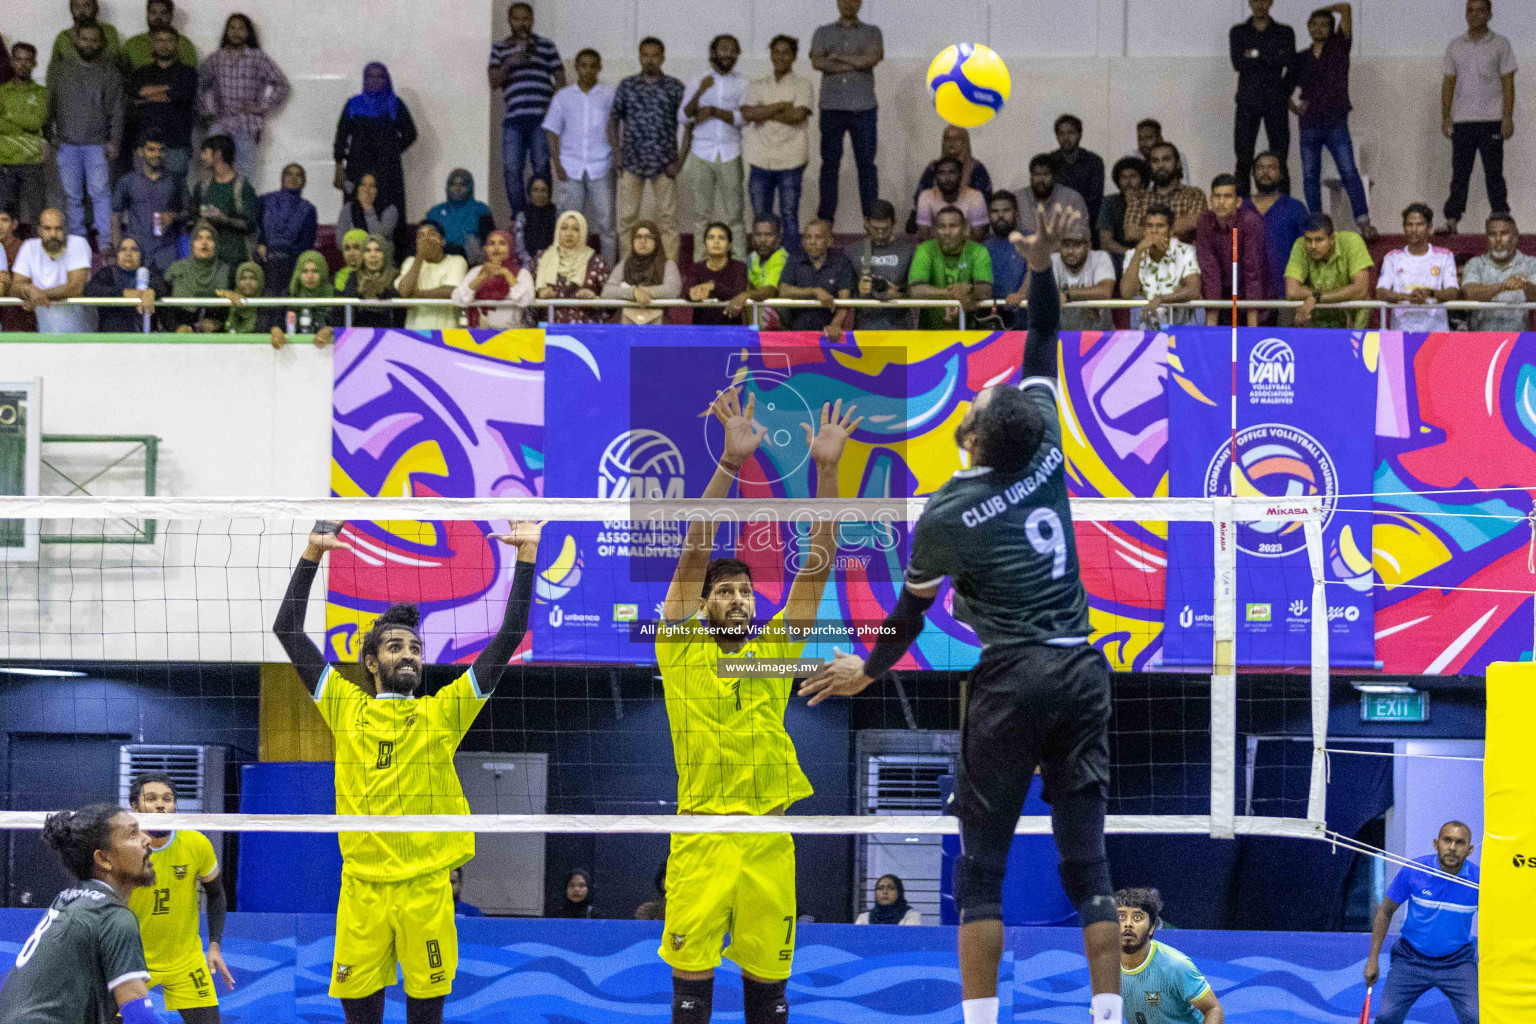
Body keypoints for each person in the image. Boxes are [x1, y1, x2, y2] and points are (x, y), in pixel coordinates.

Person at [802, 205, 1124, 1024]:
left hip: (1015, 674)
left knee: (981, 867)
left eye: (982, 399)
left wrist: (867, 670)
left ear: (975, 439)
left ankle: (980, 1021)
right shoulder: (1046, 444)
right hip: (1083, 668)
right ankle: (1108, 1016)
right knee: (1088, 867)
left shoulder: (947, 511)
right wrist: (1043, 264)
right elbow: (1044, 340)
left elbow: (908, 617)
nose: (987, 389)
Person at [271, 520, 543, 1024]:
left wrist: (526, 555)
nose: (410, 655)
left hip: (426, 887)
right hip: (363, 888)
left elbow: (506, 639)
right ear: (370, 662)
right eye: (396, 647)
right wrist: (311, 554)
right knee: (361, 1016)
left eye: (416, 648)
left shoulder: (443, 713)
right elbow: (287, 630)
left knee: (426, 1016)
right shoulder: (345, 707)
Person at [657, 386, 856, 1024]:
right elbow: (694, 550)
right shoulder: (680, 645)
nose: (738, 598)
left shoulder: (773, 647)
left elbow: (816, 568)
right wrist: (731, 463)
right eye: (725, 591)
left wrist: (826, 471)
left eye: (745, 590)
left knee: (769, 995)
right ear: (706, 603)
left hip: (769, 835)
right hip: (701, 833)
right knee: (691, 991)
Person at [0, 804, 157, 1024]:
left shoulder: (69, 898)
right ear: (103, 859)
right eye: (133, 834)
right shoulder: (113, 916)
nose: (146, 839)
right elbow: (138, 1014)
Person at [126, 772, 232, 1024]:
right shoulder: (121, 848)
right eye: (150, 798)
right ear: (134, 807)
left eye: (167, 798)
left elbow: (216, 894)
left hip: (186, 961)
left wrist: (214, 946)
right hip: (131, 962)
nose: (161, 804)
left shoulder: (196, 843)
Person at [1365, 821, 1478, 1024]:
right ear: (1436, 843)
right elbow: (1385, 911)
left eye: (1460, 843)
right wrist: (1372, 959)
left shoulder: (1480, 881)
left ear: (1469, 850)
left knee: (1476, 1017)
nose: (1452, 848)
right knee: (1386, 1017)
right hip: (1410, 959)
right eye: (1447, 840)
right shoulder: (1414, 870)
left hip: (1458, 962)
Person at [1292, 3, 1376, 239]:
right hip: (1309, 124)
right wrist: (1295, 106)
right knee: (1310, 177)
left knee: (1349, 172)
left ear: (1331, 28)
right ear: (1308, 28)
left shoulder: (1340, 47)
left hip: (1336, 122)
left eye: (1324, 24)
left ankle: (1364, 222)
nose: (1319, 28)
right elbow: (1284, 87)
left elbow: (1347, 8)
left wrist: (1323, 8)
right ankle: (1316, 224)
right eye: (1315, 24)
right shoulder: (1301, 58)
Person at [45, 20, 123, 253]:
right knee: (72, 197)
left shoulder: (110, 72)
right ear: (75, 41)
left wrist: (114, 141)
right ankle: (78, 244)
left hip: (97, 145)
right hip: (67, 144)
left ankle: (106, 243)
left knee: (100, 195)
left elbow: (117, 110)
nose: (89, 44)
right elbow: (49, 105)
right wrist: (50, 137)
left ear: (102, 43)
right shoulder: (60, 71)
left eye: (94, 40)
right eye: (84, 39)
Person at [1440, 0, 1516, 237]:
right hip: (1462, 121)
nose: (1474, 15)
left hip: (1492, 119)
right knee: (1460, 172)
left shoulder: (1501, 44)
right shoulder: (1455, 46)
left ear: (1489, 14)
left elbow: (1508, 83)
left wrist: (1507, 117)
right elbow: (1448, 83)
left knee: (1494, 172)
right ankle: (1452, 219)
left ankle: (1501, 217)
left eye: (1480, 10)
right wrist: (1445, 117)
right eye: (1470, 10)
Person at [612, 38, 685, 262]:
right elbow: (613, 119)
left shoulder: (675, 87)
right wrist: (616, 153)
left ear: (662, 57)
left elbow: (688, 123)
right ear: (640, 57)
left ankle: (670, 269)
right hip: (631, 161)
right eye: (645, 55)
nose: (650, 60)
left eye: (655, 55)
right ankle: (627, 266)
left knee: (668, 221)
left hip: (664, 163)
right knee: (626, 219)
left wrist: (680, 160)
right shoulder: (627, 86)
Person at [488, 2, 564, 218]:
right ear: (509, 21)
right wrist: (510, 62)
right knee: (512, 171)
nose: (521, 23)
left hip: (542, 119)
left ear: (532, 20)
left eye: (526, 19)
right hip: (514, 120)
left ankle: (543, 214)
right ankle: (520, 217)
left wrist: (555, 109)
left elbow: (560, 78)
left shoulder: (547, 46)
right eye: (517, 19)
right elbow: (493, 81)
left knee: (541, 168)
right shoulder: (500, 48)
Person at [542, 48, 616, 266]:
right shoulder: (563, 97)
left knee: (607, 224)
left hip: (601, 166)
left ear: (599, 68)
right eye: (583, 65)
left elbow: (617, 128)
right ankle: (569, 271)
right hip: (570, 166)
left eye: (593, 65)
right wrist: (556, 163)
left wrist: (615, 158)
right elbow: (552, 131)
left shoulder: (609, 95)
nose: (588, 70)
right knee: (569, 224)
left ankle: (608, 273)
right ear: (576, 68)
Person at [811, 0, 883, 224]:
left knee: (867, 166)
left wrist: (836, 57)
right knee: (829, 165)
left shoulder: (873, 32)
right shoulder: (822, 32)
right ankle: (825, 221)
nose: (848, 5)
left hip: (864, 107)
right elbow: (817, 61)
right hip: (832, 107)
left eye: (853, 0)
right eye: (844, 0)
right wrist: (857, 63)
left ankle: (872, 221)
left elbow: (872, 58)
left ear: (860, 3)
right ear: (837, 3)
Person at [741, 35, 813, 252]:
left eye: (786, 52)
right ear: (771, 55)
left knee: (789, 214)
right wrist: (781, 106)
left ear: (794, 56)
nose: (780, 56)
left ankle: (789, 266)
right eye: (776, 52)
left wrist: (763, 111)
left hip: (791, 160)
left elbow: (797, 117)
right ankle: (761, 265)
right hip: (760, 159)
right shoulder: (758, 84)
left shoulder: (803, 84)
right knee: (761, 217)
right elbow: (747, 114)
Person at [333, 62, 417, 239]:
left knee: (389, 211)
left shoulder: (395, 104)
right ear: (364, 79)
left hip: (388, 171)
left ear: (387, 80)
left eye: (380, 76)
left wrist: (392, 151)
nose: (375, 80)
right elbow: (341, 137)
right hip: (356, 169)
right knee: (355, 210)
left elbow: (410, 134)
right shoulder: (353, 104)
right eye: (370, 76)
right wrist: (339, 164)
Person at [197, 14, 288, 178]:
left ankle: (239, 204)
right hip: (221, 122)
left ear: (248, 33)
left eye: (241, 28)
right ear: (226, 32)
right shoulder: (216, 59)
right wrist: (205, 112)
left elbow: (282, 85)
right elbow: (199, 84)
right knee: (212, 170)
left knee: (243, 173)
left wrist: (262, 107)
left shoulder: (257, 58)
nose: (236, 32)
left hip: (247, 125)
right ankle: (215, 204)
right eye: (232, 28)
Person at [1116, 888, 1225, 1024]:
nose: (1128, 924)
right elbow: (1100, 1015)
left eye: (1137, 917)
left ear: (1151, 928)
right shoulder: (1106, 968)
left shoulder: (1174, 965)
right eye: (1121, 917)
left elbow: (1213, 1009)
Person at [682, 35, 746, 262]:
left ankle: (738, 265)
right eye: (723, 49)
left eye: (732, 50)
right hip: (701, 153)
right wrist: (700, 92)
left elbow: (744, 118)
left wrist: (713, 112)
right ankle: (700, 265)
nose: (727, 54)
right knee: (701, 215)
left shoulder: (742, 82)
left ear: (737, 54)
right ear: (713, 52)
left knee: (735, 215)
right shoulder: (698, 80)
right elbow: (683, 116)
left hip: (731, 152)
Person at [1230, 0, 1295, 197]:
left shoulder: (1285, 32)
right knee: (1243, 159)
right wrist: (1272, 56)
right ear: (1249, 2)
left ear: (1271, 2)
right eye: (1255, 0)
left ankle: (1284, 209)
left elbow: (1291, 66)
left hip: (1276, 101)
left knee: (1280, 160)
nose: (1260, 4)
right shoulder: (1238, 32)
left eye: (1264, 0)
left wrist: (1255, 54)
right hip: (1248, 101)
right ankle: (1241, 214)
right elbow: (1239, 63)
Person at [1195, 174, 1267, 327]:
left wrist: (1252, 330)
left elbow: (1253, 272)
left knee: (1250, 343)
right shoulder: (1204, 222)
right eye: (1217, 196)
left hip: (1257, 304)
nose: (1221, 202)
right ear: (1210, 200)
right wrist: (1211, 325)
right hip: (1223, 302)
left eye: (1227, 196)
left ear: (1238, 201)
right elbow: (1209, 273)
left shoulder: (1250, 221)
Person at [126, 26, 197, 181]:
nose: (164, 44)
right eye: (159, 40)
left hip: (177, 143)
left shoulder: (188, 72)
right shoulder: (141, 72)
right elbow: (137, 92)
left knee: (176, 197)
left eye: (169, 40)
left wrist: (148, 96)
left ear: (177, 44)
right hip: (145, 144)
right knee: (143, 195)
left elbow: (178, 95)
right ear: (152, 44)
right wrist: (169, 87)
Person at [1377, 203, 1460, 333]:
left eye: (1419, 224)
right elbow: (1381, 292)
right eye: (1409, 225)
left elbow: (1453, 292)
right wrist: (1407, 297)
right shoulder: (1392, 257)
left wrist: (1430, 293)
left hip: (1436, 333)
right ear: (1404, 228)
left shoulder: (1444, 256)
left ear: (1430, 227)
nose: (1414, 229)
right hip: (1400, 332)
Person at [908, 206, 993, 331]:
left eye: (953, 226)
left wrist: (970, 289)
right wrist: (954, 294)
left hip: (971, 333)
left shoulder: (978, 251)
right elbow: (915, 291)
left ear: (964, 227)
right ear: (935, 229)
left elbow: (986, 290)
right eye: (942, 227)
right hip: (930, 333)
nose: (947, 232)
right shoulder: (925, 249)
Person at [1284, 212, 1373, 329]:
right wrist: (1317, 297)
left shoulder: (1352, 241)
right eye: (1308, 240)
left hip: (1353, 321)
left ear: (1332, 239)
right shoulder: (1300, 245)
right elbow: (1292, 291)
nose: (1313, 246)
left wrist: (1316, 298)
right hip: (1318, 320)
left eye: (1319, 240)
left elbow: (1360, 290)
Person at [1120, 204, 1201, 330]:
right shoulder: (1133, 254)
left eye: (1160, 226)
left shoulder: (1185, 251)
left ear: (1171, 230)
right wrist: (1139, 251)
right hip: (1147, 322)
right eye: (1149, 226)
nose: (1154, 231)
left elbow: (1193, 290)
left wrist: (1161, 299)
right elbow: (1126, 293)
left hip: (1179, 322)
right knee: (1140, 304)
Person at [11, 207, 93, 333]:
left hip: (81, 334)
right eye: (47, 229)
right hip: (46, 333)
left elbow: (75, 288)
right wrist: (29, 289)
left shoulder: (78, 244)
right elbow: (14, 287)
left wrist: (38, 295)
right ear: (39, 231)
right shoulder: (29, 247)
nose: (53, 234)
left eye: (58, 228)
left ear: (65, 230)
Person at [1248, 151, 1309, 314]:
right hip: (1248, 298)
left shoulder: (1295, 208)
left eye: (1271, 167)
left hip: (1286, 295)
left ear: (1281, 174)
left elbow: (1307, 250)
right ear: (1253, 173)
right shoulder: (1241, 208)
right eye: (1260, 167)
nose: (1265, 172)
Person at [112, 135, 184, 273]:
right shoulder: (128, 181)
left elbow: (189, 211)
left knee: (165, 291)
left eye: (161, 150)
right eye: (151, 149)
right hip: (136, 249)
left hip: (166, 249)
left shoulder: (175, 180)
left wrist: (172, 216)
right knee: (135, 292)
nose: (157, 154)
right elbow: (115, 215)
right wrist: (118, 249)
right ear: (141, 152)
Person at [189, 135, 257, 270]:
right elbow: (194, 215)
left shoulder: (242, 188)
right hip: (207, 260)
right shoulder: (202, 187)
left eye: (205, 152)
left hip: (235, 259)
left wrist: (224, 219)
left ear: (218, 154)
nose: (202, 157)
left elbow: (251, 223)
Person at [777, 218, 854, 338]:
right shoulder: (794, 260)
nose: (812, 242)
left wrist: (835, 325)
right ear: (803, 241)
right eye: (808, 237)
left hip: (829, 333)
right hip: (796, 333)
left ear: (829, 241)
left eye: (818, 237)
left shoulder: (842, 263)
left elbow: (844, 301)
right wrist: (815, 291)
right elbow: (783, 290)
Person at [1460, 213, 1536, 331]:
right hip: (1480, 340)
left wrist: (1526, 285)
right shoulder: (1475, 264)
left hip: (1519, 340)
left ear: (1515, 236)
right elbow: (1470, 293)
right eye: (1492, 234)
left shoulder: (1531, 264)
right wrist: (1502, 286)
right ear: (1486, 238)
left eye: (1504, 233)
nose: (1498, 240)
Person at [534, 209, 611, 325]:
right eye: (564, 228)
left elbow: (611, 305)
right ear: (557, 231)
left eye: (576, 229)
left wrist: (594, 299)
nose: (569, 234)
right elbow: (526, 300)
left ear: (583, 232)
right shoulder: (541, 259)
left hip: (586, 332)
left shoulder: (595, 262)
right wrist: (539, 296)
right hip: (548, 330)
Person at [0, 42, 47, 230]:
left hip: (32, 161)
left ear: (34, 63)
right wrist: (24, 123)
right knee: (6, 216)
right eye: (18, 59)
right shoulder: (1, 92)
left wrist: (8, 117)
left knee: (38, 214)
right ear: (11, 62)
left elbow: (37, 122)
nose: (23, 64)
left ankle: (40, 255)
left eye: (28, 60)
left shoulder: (42, 93)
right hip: (5, 160)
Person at [911, 125, 993, 233]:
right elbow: (920, 202)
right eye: (947, 139)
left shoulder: (977, 169)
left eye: (957, 139)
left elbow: (985, 206)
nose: (951, 143)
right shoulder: (933, 168)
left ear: (965, 142)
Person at [1124, 143, 1206, 245]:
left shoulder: (1194, 194)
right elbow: (1131, 233)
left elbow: (1193, 224)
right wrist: (1176, 230)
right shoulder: (1139, 198)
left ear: (1178, 163)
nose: (1160, 165)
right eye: (1155, 161)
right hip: (1147, 257)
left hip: (1184, 256)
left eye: (1166, 159)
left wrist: (1149, 231)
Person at [601, 220, 680, 325]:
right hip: (626, 323)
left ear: (656, 241)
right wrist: (633, 293)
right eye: (638, 237)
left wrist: (645, 292)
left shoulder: (667, 264)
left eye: (648, 237)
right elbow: (607, 291)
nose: (643, 241)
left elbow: (673, 290)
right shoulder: (625, 264)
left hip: (659, 323)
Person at [164, 222, 238, 333]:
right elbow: (164, 305)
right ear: (192, 244)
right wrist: (176, 327)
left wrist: (218, 324)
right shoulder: (177, 269)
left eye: (209, 239)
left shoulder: (226, 271)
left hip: (216, 337)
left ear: (216, 245)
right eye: (199, 238)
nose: (204, 242)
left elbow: (230, 311)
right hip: (180, 335)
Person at [453, 228, 534, 329]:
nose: (496, 248)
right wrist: (479, 278)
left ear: (511, 247)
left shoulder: (522, 274)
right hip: (478, 334)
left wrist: (507, 274)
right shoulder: (476, 271)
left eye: (502, 243)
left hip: (512, 336)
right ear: (486, 249)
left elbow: (526, 300)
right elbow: (458, 299)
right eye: (491, 243)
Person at [396, 221, 468, 332]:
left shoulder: (457, 261)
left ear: (442, 241)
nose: (426, 239)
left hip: (449, 334)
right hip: (415, 333)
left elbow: (450, 292)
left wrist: (417, 295)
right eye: (421, 236)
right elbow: (404, 291)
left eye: (431, 234)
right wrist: (420, 256)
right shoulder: (410, 262)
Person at [257, 163, 317, 296]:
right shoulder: (264, 201)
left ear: (304, 181)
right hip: (264, 259)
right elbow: (255, 227)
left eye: (298, 175)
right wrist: (261, 243)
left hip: (291, 263)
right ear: (282, 177)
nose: (293, 178)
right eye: (289, 173)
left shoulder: (308, 210)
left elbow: (307, 242)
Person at [855, 198, 913, 329]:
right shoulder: (853, 251)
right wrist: (859, 292)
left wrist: (897, 294)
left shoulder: (908, 251)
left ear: (894, 223)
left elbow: (916, 290)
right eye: (875, 228)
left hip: (899, 327)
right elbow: (843, 293)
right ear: (866, 222)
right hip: (864, 328)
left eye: (885, 229)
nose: (880, 233)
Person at [1048, 222, 1117, 332]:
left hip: (1101, 338)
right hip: (1063, 338)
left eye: (1077, 245)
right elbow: (1046, 294)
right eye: (1066, 245)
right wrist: (1088, 294)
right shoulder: (1053, 261)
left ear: (1089, 246)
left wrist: (1068, 294)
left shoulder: (1100, 258)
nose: (1070, 251)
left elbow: (1105, 291)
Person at [85, 235, 161, 332]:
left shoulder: (150, 273)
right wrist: (124, 293)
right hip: (111, 338)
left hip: (144, 338)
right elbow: (90, 290)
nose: (128, 254)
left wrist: (152, 291)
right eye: (123, 249)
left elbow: (162, 288)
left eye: (134, 249)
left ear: (142, 254)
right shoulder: (108, 273)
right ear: (117, 255)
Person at [1048, 115, 1105, 234]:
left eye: (1070, 132)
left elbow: (1095, 198)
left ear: (1079, 134)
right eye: (1061, 133)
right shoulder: (1050, 161)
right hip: (1056, 222)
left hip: (1087, 220)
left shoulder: (1093, 161)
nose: (1066, 138)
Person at [684, 222, 748, 326]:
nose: (716, 241)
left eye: (722, 238)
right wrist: (694, 293)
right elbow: (687, 292)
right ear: (705, 245)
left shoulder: (739, 267)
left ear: (729, 245)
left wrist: (712, 286)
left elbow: (738, 294)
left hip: (732, 331)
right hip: (702, 331)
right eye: (711, 238)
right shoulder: (696, 268)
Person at [269, 249, 336, 348]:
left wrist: (331, 330)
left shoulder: (335, 295)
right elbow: (275, 321)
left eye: (315, 271)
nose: (310, 276)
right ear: (298, 273)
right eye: (305, 271)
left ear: (322, 272)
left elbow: (342, 323)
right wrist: (275, 330)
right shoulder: (288, 295)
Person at [426, 169, 495, 265]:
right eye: (453, 184)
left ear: (470, 187)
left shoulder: (480, 209)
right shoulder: (435, 212)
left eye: (462, 185)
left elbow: (489, 241)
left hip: (471, 261)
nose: (457, 189)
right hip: (439, 260)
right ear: (447, 187)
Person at [727, 216, 787, 324]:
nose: (763, 240)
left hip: (778, 329)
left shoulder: (781, 258)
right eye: (758, 235)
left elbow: (770, 290)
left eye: (768, 235)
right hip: (754, 325)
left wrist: (746, 295)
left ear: (779, 237)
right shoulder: (752, 257)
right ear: (752, 237)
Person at [915, 156, 988, 242]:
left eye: (952, 172)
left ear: (960, 175)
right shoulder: (926, 196)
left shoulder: (975, 196)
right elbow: (924, 237)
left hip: (967, 252)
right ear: (936, 177)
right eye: (941, 173)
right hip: (935, 252)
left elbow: (978, 237)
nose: (947, 178)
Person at [1017, 155, 1090, 238]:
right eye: (1036, 174)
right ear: (1031, 177)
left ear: (1054, 176)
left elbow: (1080, 234)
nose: (1041, 180)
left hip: (1062, 249)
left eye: (1045, 174)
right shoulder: (1018, 199)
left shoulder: (1072, 198)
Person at [983, 191, 1027, 329]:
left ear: (1016, 212)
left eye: (1006, 210)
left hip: (1026, 320)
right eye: (995, 211)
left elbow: (1036, 271)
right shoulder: (982, 248)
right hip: (991, 320)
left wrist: (1022, 293)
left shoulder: (1030, 241)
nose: (1000, 216)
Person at [1098, 156, 1150, 272]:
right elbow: (1105, 242)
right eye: (1123, 177)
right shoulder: (1110, 202)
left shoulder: (1152, 200)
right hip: (1120, 255)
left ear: (1142, 179)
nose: (1128, 182)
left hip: (1148, 255)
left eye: (1133, 176)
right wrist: (1131, 254)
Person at [341, 234, 401, 330]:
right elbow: (345, 307)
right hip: (360, 334)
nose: (373, 255)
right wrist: (361, 292)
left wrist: (382, 291)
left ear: (385, 254)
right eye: (367, 250)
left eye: (378, 250)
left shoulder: (395, 276)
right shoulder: (354, 277)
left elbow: (401, 309)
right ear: (363, 256)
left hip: (391, 335)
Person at [336, 173, 401, 260]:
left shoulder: (390, 209)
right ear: (357, 188)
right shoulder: (349, 208)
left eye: (372, 186)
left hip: (381, 262)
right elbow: (341, 241)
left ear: (378, 190)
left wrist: (368, 208)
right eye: (363, 185)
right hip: (356, 262)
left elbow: (379, 237)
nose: (366, 189)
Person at [123, 0, 196, 70]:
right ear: (147, 14)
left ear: (171, 16)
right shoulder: (132, 44)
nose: (158, 17)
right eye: (153, 12)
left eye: (163, 13)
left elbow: (189, 75)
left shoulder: (184, 44)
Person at [49, 0, 123, 66]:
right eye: (76, 6)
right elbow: (54, 69)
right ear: (71, 9)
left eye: (87, 5)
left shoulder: (109, 32)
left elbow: (115, 60)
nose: (82, 10)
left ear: (95, 8)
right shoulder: (63, 36)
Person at [0, 207, 37, 332]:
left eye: (4, 220)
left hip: (19, 316)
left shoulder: (25, 249)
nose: (0, 226)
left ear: (14, 224)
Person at [223, 260, 279, 335]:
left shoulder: (268, 302)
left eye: (253, 278)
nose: (248, 282)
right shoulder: (230, 298)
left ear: (260, 280)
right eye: (243, 278)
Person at [1129, 119, 1189, 184]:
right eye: (1140, 138)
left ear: (1159, 138)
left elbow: (1184, 184)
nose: (1143, 142)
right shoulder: (1132, 158)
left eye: (1148, 138)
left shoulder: (1175, 156)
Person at [517, 177, 557, 265]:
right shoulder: (522, 215)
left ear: (549, 193)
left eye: (543, 190)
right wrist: (530, 260)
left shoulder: (557, 214)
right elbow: (519, 245)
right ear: (529, 192)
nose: (539, 194)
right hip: (527, 262)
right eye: (535, 190)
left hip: (552, 261)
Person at [855, 874, 922, 926]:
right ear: (875, 893)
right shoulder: (864, 918)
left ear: (899, 892)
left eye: (891, 888)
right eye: (880, 888)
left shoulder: (911, 915)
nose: (885, 892)